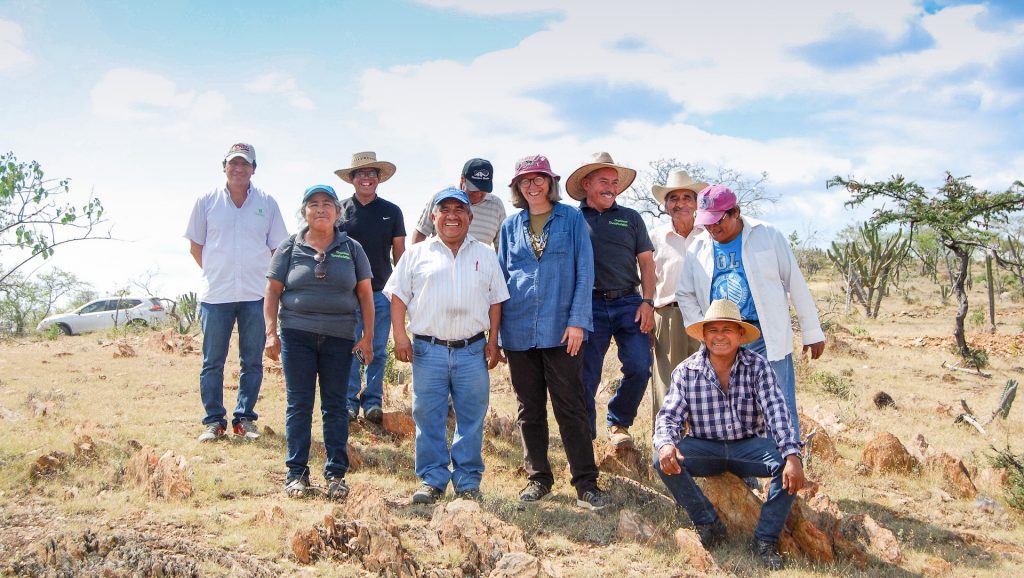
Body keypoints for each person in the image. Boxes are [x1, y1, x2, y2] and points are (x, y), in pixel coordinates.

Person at [653, 299, 804, 570]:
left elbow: (777, 412)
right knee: (661, 459)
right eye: (713, 330)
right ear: (704, 335)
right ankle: (708, 522)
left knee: (788, 465)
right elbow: (669, 416)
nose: (720, 336)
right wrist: (666, 444)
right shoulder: (686, 371)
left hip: (748, 448)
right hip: (704, 448)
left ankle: (765, 539)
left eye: (727, 329)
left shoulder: (758, 367)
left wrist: (792, 453)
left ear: (740, 335)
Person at [497, 155, 609, 510]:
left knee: (571, 406)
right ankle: (538, 478)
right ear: (517, 187)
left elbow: (585, 272)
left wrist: (577, 321)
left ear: (550, 182)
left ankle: (586, 483)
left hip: (563, 331)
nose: (532, 186)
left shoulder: (572, 220)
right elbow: (499, 282)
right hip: (518, 330)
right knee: (528, 408)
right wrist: (496, 335)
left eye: (539, 179)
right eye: (525, 181)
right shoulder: (509, 227)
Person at [385, 187, 508, 504]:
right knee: (428, 417)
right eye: (445, 210)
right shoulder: (416, 253)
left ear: (470, 216)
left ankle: (468, 482)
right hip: (428, 350)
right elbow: (398, 296)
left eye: (459, 210)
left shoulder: (485, 253)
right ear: (433, 216)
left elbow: (496, 301)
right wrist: (400, 336)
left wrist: (494, 341)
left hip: (472, 350)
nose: (452, 216)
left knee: (471, 418)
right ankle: (432, 480)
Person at [676, 185, 825, 437]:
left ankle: (786, 470)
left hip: (765, 335)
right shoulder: (697, 247)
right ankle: (744, 473)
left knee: (779, 405)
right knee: (732, 410)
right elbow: (685, 293)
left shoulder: (767, 235)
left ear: (736, 212)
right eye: (707, 223)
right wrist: (703, 329)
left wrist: (812, 331)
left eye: (717, 221)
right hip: (723, 339)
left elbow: (795, 281)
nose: (712, 229)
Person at [264, 184, 374, 500]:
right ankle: (296, 473)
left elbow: (365, 295)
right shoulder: (289, 248)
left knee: (335, 406)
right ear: (304, 212)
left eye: (328, 203)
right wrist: (271, 333)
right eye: (314, 204)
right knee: (299, 404)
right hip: (297, 335)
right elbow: (272, 291)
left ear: (338, 213)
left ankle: (336, 474)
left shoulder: (352, 248)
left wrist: (368, 337)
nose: (321, 208)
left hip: (341, 337)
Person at [185, 143, 288, 442]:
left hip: (256, 294)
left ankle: (244, 420)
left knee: (252, 361)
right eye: (233, 163)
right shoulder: (206, 201)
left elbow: (277, 248)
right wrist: (217, 271)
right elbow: (195, 245)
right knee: (212, 361)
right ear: (224, 167)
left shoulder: (267, 203)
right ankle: (213, 421)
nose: (239, 169)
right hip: (216, 295)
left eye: (245, 164)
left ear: (254, 169)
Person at [567, 152, 655, 448]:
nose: (611, 187)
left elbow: (646, 263)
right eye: (603, 181)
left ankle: (619, 422)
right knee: (585, 377)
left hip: (629, 303)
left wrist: (648, 302)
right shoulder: (572, 219)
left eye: (615, 182)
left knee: (640, 366)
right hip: (588, 306)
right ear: (586, 183)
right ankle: (585, 438)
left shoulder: (630, 218)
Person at [335, 151, 406, 424]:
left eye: (371, 173)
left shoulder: (392, 212)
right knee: (351, 348)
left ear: (379, 179)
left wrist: (403, 290)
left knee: (376, 347)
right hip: (347, 294)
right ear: (352, 179)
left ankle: (373, 402)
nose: (366, 178)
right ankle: (349, 402)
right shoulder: (339, 212)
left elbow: (400, 254)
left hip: (381, 292)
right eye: (360, 174)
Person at [648, 170, 709, 423]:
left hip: (705, 316)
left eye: (687, 197)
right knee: (667, 379)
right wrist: (647, 317)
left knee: (704, 378)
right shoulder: (655, 237)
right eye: (674, 198)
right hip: (667, 313)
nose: (680, 203)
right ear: (666, 205)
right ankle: (664, 442)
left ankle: (698, 444)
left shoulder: (709, 234)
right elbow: (645, 281)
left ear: (696, 203)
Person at [412, 158, 506, 249]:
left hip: (480, 264)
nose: (478, 194)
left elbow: (501, 247)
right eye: (473, 188)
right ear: (462, 179)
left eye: (483, 189)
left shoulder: (496, 205)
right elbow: (420, 234)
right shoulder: (440, 198)